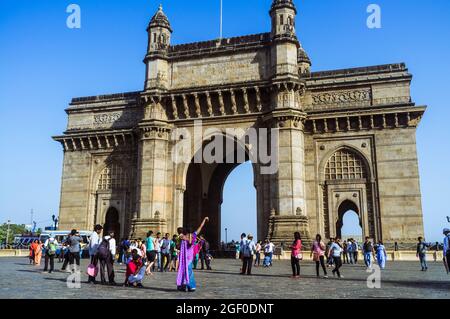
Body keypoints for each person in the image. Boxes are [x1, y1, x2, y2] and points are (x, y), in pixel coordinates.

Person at [177, 217, 209, 292]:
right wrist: (204, 220)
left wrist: (185, 238)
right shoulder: (192, 235)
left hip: (185, 257)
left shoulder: (184, 237)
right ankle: (187, 286)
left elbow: (185, 244)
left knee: (184, 270)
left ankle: (186, 286)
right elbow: (200, 227)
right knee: (187, 271)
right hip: (187, 257)